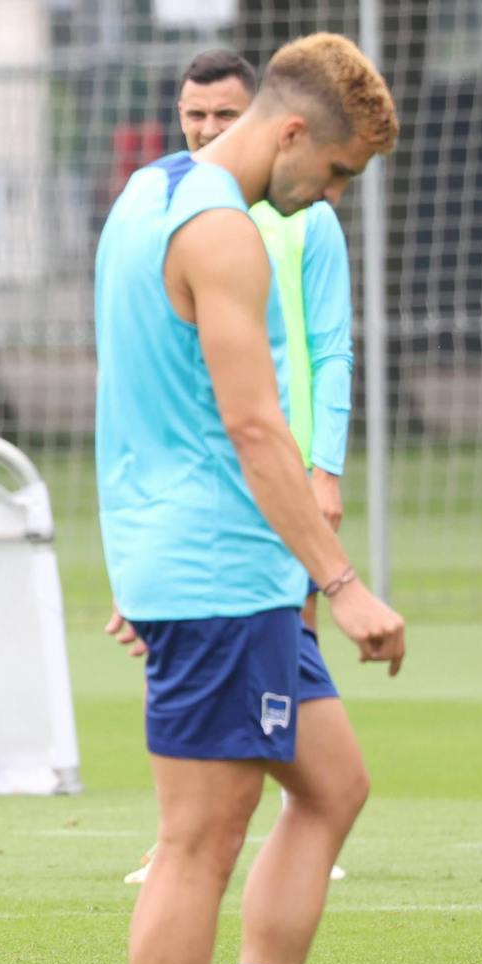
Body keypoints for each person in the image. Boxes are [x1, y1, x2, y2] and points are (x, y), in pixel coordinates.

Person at [93, 34, 404, 964]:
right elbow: (254, 427)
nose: (324, 197)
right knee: (194, 844)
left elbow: (126, 388)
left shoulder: (144, 194)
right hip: (223, 573)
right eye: (330, 173)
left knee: (331, 787)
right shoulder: (221, 232)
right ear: (286, 134)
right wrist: (343, 580)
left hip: (208, 565)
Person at [122, 49, 353, 885]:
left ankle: (282, 828)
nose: (208, 128)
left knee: (322, 737)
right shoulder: (170, 207)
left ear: (259, 115)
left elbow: (329, 346)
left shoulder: (303, 215)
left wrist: (322, 464)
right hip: (214, 497)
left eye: (224, 114)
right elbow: (144, 387)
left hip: (272, 477)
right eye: (195, 115)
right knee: (202, 826)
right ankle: (186, 833)